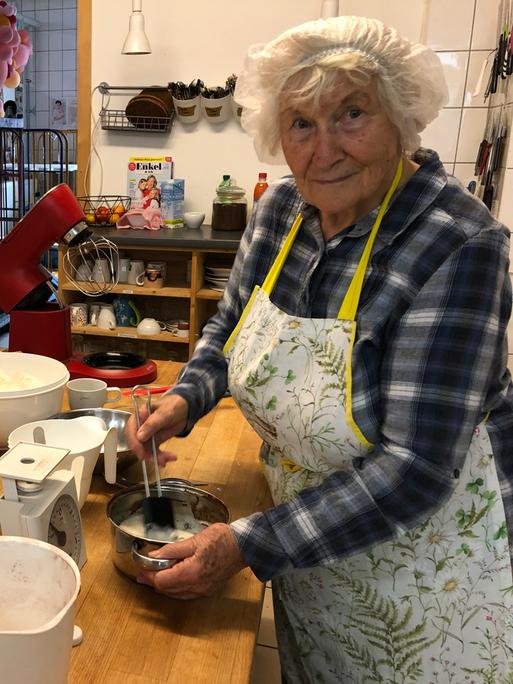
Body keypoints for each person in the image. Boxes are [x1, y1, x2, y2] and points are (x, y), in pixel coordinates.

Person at [125, 15, 513, 682]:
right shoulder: (280, 213)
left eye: (351, 114)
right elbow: (226, 333)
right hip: (311, 546)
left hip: (431, 567)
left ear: (401, 120)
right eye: (300, 122)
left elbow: (416, 465)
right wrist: (182, 400)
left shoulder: (458, 243)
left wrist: (248, 542)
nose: (322, 148)